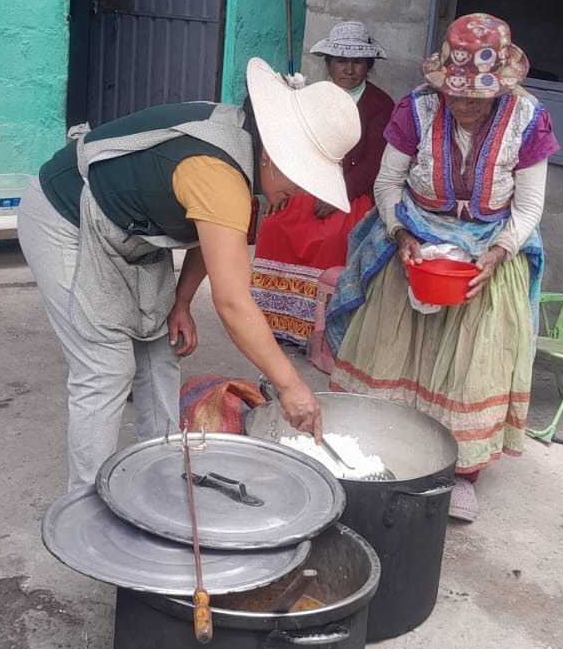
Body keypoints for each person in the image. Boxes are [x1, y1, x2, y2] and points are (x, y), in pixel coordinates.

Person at [18, 59, 360, 487]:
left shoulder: (241, 144)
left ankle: (158, 476)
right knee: (105, 367)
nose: (301, 193)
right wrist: (291, 385)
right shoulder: (218, 173)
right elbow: (233, 303)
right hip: (63, 215)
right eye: (303, 178)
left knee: (160, 352)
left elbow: (211, 233)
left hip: (130, 232)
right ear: (274, 155)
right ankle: (85, 507)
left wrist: (180, 302)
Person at [326, 14, 559, 523]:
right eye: (455, 95)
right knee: (396, 353)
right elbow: (388, 184)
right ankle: (385, 449)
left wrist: (498, 253)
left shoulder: (528, 117)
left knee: (472, 365)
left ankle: (460, 473)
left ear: (500, 88)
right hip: (415, 239)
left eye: (476, 97)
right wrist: (402, 235)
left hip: (489, 252)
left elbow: (528, 207)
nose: (463, 104)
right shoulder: (416, 108)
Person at [250, 22, 394, 346]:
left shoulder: (380, 105)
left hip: (350, 192)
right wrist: (279, 186)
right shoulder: (311, 96)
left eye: (357, 62)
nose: (349, 68)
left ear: (368, 66)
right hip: (306, 184)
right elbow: (292, 145)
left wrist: (337, 194)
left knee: (333, 236)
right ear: (328, 63)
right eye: (340, 60)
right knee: (275, 225)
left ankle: (316, 331)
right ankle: (273, 323)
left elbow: (374, 161)